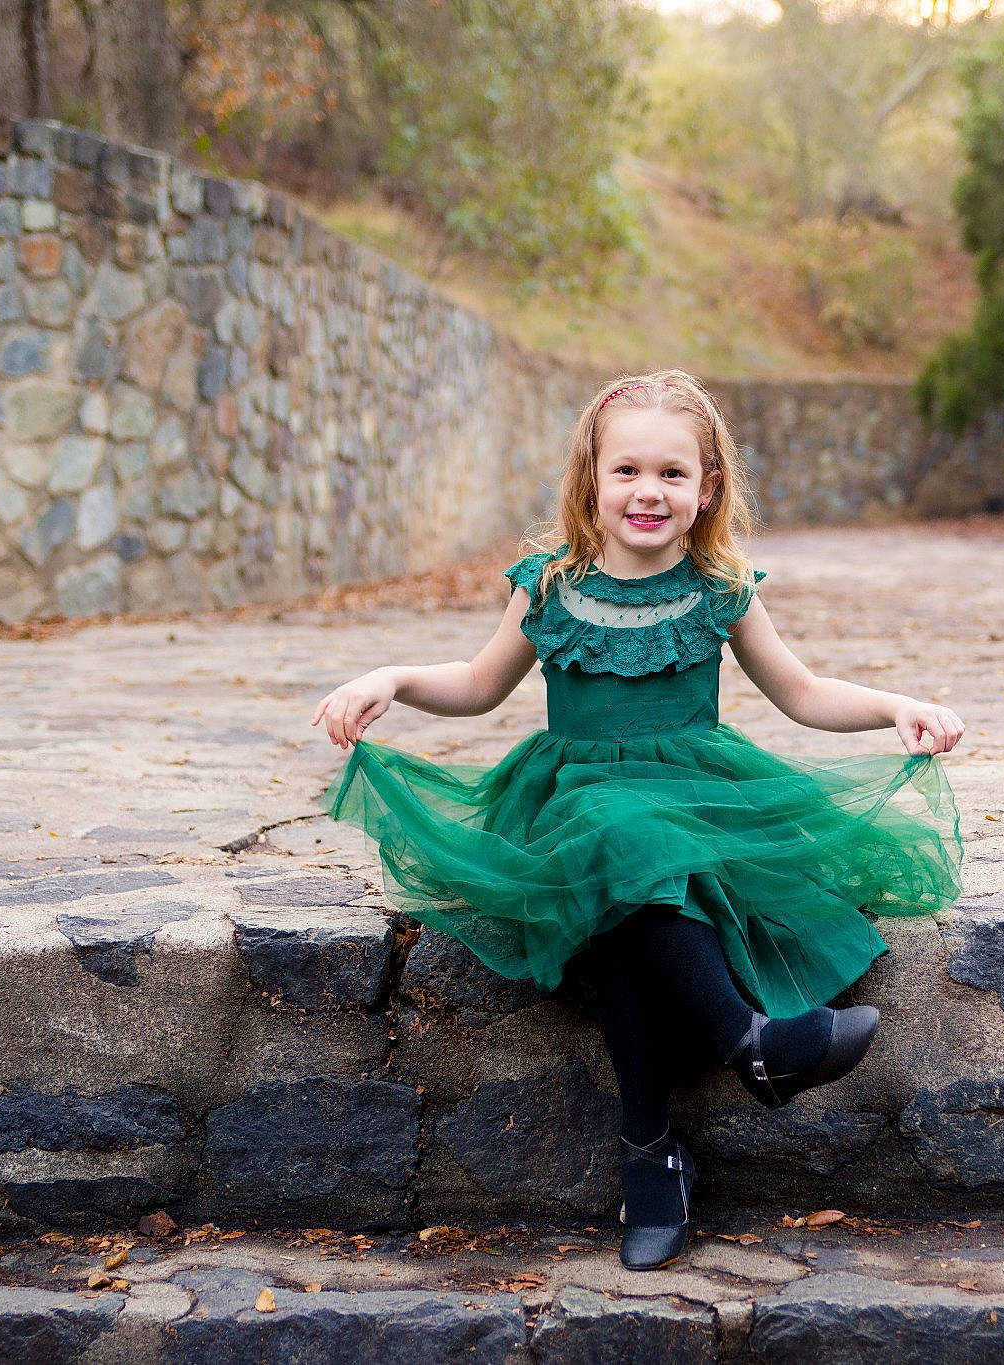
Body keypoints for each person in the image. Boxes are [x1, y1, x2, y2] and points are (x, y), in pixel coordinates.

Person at [312, 369, 963, 1270]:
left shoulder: (718, 588)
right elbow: (474, 684)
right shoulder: (548, 586)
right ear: (590, 481)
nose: (647, 491)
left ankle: (650, 1152)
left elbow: (803, 692)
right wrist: (389, 677)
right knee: (612, 847)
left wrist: (896, 705)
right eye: (626, 471)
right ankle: (752, 1042)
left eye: (670, 473)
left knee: (626, 897)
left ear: (707, 491)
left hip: (696, 796)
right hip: (571, 800)